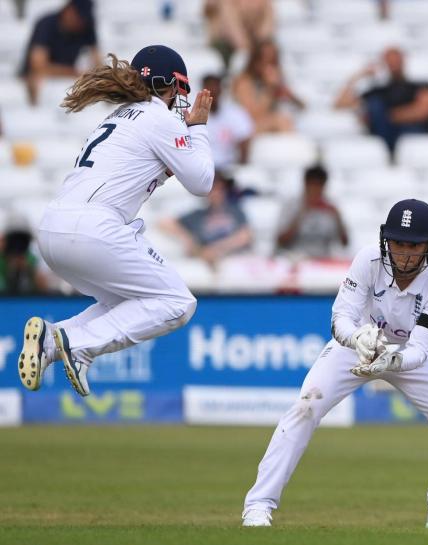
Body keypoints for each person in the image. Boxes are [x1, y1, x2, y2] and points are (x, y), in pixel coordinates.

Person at [241, 199, 428, 529]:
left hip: (410, 354)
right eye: (398, 243)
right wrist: (357, 339)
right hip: (357, 344)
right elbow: (341, 318)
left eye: (414, 246)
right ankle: (259, 504)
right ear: (385, 239)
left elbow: (421, 348)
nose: (404, 254)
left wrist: (393, 359)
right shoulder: (368, 259)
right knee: (306, 406)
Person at [17, 45, 214, 397]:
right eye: (178, 89)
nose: (178, 99)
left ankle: (52, 339)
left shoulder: (116, 117)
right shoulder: (159, 118)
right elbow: (202, 182)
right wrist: (197, 128)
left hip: (52, 230)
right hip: (92, 230)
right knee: (177, 303)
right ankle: (79, 345)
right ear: (169, 84)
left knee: (129, 302)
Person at [334, 47, 428, 156]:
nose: (393, 63)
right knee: (374, 104)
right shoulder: (378, 91)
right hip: (382, 135)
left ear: (403, 60)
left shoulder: (419, 86)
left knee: (375, 106)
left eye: (396, 59)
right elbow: (340, 104)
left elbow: (424, 111)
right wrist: (359, 76)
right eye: (389, 60)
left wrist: (382, 115)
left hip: (411, 134)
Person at [160, 172, 252, 267]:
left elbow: (245, 236)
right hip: (204, 263)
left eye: (220, 189)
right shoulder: (197, 215)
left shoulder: (235, 210)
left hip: (233, 259)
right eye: (213, 189)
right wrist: (187, 239)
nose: (216, 193)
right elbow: (164, 223)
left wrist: (216, 249)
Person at [19, 0, 101, 105]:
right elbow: (38, 66)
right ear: (69, 11)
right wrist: (75, 73)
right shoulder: (46, 24)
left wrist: (99, 78)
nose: (80, 23)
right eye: (79, 17)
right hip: (38, 82)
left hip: (67, 81)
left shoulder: (86, 25)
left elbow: (97, 60)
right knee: (37, 80)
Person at [275, 165, 348, 259]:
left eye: (319, 185)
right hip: (295, 259)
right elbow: (280, 241)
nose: (315, 190)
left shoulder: (330, 208)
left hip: (323, 260)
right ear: (305, 184)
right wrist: (302, 213)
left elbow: (345, 243)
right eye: (312, 185)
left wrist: (337, 217)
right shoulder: (291, 205)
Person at [232, 39, 303, 133]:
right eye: (266, 59)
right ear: (256, 62)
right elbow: (251, 117)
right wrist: (270, 89)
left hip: (272, 128)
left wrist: (290, 97)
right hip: (246, 129)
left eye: (273, 60)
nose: (269, 65)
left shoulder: (278, 78)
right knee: (282, 121)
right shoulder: (243, 81)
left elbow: (302, 107)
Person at [202, 74, 254, 170]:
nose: (213, 91)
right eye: (209, 89)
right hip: (201, 169)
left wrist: (239, 170)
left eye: (216, 88)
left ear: (221, 89)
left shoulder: (236, 113)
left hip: (228, 169)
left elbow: (244, 141)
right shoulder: (191, 114)